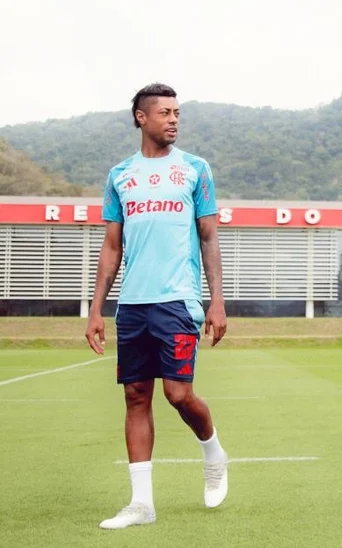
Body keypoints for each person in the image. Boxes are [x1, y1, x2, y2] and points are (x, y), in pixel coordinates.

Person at [85, 83, 229, 529]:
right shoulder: (120, 175)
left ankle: (213, 451)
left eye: (177, 113)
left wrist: (217, 301)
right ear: (141, 117)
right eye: (165, 112)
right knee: (135, 396)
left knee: (178, 394)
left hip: (178, 300)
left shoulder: (195, 169)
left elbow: (209, 237)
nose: (173, 120)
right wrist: (95, 309)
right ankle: (142, 504)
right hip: (132, 304)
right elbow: (112, 247)